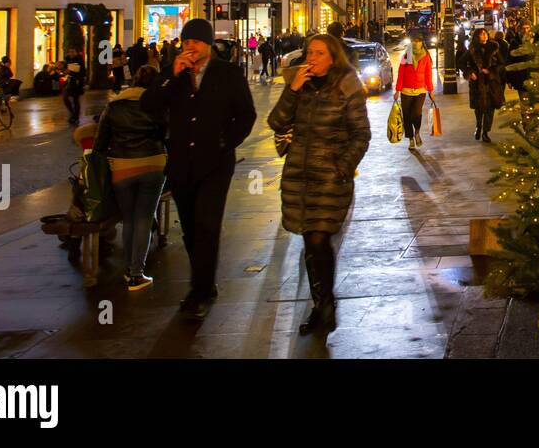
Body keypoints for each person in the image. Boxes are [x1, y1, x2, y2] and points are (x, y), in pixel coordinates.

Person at [140, 18, 256, 321]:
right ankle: (203, 282)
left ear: (208, 45)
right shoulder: (172, 75)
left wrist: (225, 141)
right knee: (190, 228)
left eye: (196, 42)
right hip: (180, 162)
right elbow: (148, 105)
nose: (190, 47)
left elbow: (246, 114)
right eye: (186, 41)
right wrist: (171, 77)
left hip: (215, 164)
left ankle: (200, 290)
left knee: (207, 224)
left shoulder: (227, 74)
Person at [267, 34, 371, 335]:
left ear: (333, 57)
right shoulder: (300, 86)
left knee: (318, 239)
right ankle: (321, 305)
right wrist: (293, 89)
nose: (312, 58)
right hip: (299, 175)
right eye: (309, 52)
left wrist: (343, 166)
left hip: (329, 176)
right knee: (308, 241)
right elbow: (277, 123)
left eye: (319, 53)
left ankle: (325, 307)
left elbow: (361, 134)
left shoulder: (347, 85)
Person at [95, 65, 167, 290]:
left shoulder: (114, 105)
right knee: (144, 217)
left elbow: (100, 143)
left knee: (129, 219)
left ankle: (129, 270)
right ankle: (137, 273)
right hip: (153, 165)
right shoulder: (156, 105)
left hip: (122, 167)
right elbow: (167, 134)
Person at [461, 28, 503, 142]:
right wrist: (470, 73)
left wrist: (491, 72)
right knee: (479, 108)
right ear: (477, 37)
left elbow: (501, 64)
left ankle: (485, 132)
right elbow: (461, 62)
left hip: (491, 83)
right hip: (477, 83)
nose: (484, 35)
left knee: (490, 109)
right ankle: (479, 126)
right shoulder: (473, 49)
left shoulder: (494, 47)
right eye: (481, 34)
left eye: (485, 33)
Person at [396, 30, 436, 151]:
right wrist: (397, 90)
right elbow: (401, 73)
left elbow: (428, 74)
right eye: (414, 41)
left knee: (416, 114)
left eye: (418, 41)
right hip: (406, 90)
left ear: (421, 42)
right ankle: (410, 139)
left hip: (420, 90)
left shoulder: (426, 57)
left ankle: (417, 132)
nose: (416, 43)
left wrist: (430, 90)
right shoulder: (406, 56)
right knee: (407, 116)